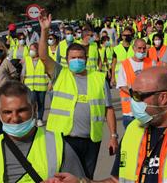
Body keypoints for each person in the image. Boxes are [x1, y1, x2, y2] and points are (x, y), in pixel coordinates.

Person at [45, 67, 167, 183]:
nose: (134, 102)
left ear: (163, 97)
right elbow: (117, 180)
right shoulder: (133, 129)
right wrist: (81, 182)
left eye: (139, 96)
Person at [38, 12, 118, 179]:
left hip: (91, 141)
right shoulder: (60, 73)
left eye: (80, 57)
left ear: (86, 58)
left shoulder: (98, 78)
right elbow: (44, 57)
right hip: (64, 139)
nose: (77, 60)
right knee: (65, 178)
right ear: (66, 60)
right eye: (73, 58)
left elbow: (108, 109)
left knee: (86, 178)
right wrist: (44, 31)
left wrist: (113, 136)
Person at [0, 81, 85, 182]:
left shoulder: (59, 147)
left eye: (22, 110)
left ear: (34, 108)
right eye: (7, 112)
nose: (15, 118)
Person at [117, 39, 155, 128]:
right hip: (130, 112)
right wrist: (135, 94)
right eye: (139, 48)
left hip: (147, 111)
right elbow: (122, 85)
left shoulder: (151, 63)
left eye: (144, 48)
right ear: (133, 49)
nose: (142, 51)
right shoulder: (125, 64)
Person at [21, 43, 48, 127]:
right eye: (30, 50)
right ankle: (33, 118)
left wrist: (50, 83)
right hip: (29, 86)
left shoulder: (43, 60)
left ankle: (39, 119)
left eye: (33, 49)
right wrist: (21, 83)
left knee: (41, 103)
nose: (31, 51)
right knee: (31, 102)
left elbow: (47, 72)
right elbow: (23, 72)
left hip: (41, 86)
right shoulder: (27, 59)